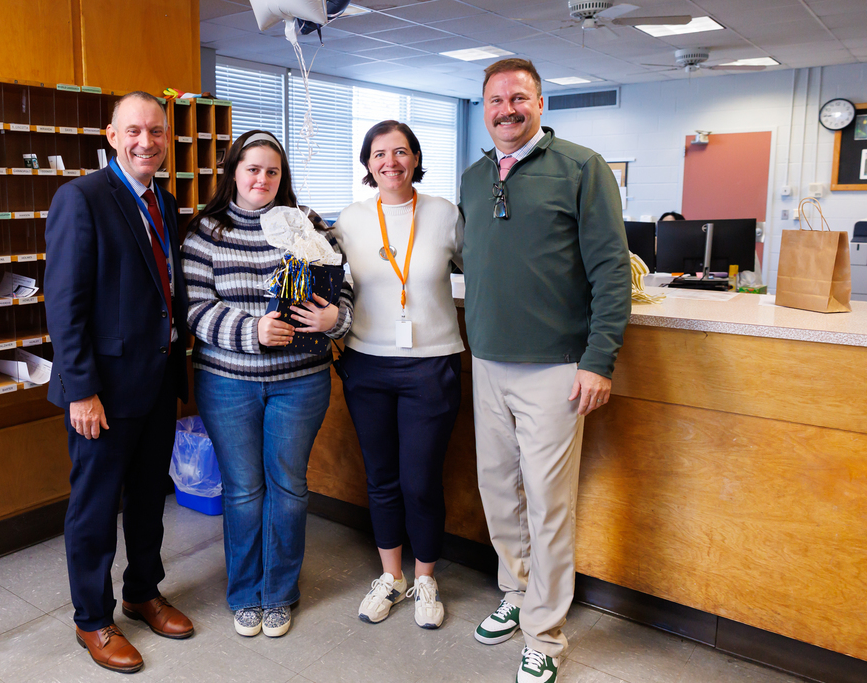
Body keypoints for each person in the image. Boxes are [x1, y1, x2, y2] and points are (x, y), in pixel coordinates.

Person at [459, 58, 631, 683]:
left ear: (540, 102)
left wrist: (598, 358)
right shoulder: (476, 177)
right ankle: (516, 591)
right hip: (488, 364)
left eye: (519, 97)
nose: (506, 108)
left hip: (557, 370)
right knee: (499, 494)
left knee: (549, 507)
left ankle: (546, 634)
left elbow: (612, 271)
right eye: (495, 99)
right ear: (483, 107)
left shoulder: (582, 168)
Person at [182, 130, 353, 638]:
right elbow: (195, 309)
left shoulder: (308, 226)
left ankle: (279, 592)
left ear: (283, 178)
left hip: (299, 382)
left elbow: (342, 286)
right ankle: (244, 593)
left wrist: (333, 320)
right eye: (252, 168)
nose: (262, 179)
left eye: (272, 171)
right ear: (233, 171)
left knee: (288, 487)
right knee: (242, 490)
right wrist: (251, 331)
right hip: (226, 382)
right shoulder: (205, 233)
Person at [45, 91, 194, 674]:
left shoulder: (165, 199)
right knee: (94, 507)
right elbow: (66, 303)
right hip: (101, 393)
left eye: (156, 133)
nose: (147, 143)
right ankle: (92, 618)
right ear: (112, 135)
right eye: (135, 131)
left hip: (155, 382)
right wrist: (80, 389)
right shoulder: (80, 198)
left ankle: (142, 592)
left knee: (148, 503)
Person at [333, 120, 463, 630]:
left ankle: (426, 577)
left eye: (401, 152)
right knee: (382, 478)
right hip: (365, 362)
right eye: (379, 153)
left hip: (431, 365)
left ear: (415, 158)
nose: (391, 162)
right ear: (368, 163)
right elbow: (331, 282)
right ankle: (392, 576)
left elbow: (484, 269)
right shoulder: (351, 219)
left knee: (421, 480)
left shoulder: (445, 215)